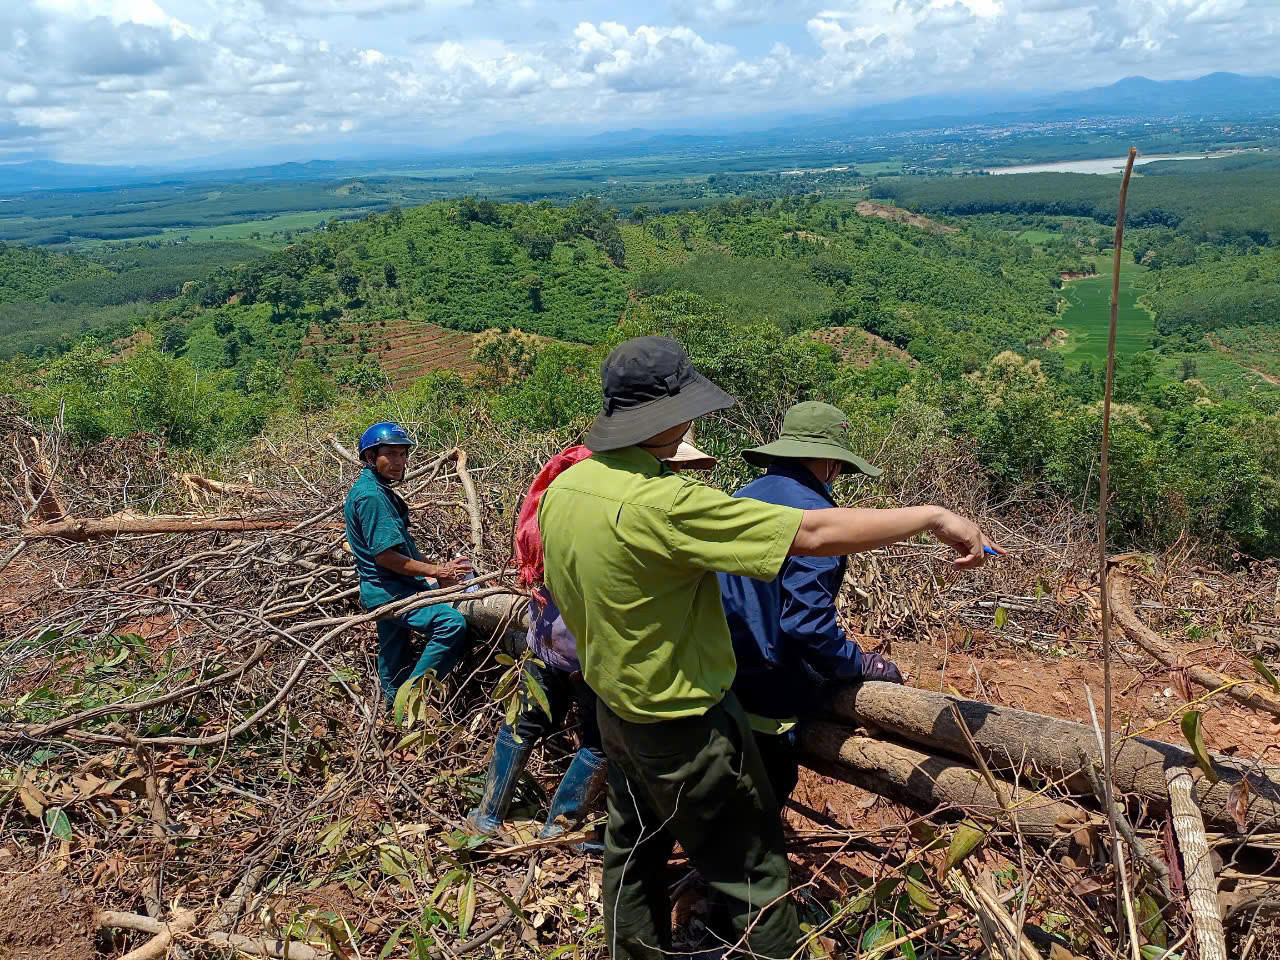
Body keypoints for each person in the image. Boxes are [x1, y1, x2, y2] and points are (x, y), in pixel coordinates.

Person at [538, 336, 1001, 960]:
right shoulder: (661, 502)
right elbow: (811, 534)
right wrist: (932, 517)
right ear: (673, 414)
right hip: (683, 725)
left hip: (614, 711)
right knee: (754, 874)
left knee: (634, 850)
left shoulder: (570, 486)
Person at [468, 432, 721, 843]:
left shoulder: (567, 491)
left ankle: (487, 815)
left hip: (547, 638)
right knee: (600, 741)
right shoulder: (642, 505)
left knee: (521, 725)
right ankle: (559, 827)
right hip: (597, 653)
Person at [718, 401, 905, 809]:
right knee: (762, 798)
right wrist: (857, 664)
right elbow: (806, 624)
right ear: (829, 462)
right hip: (765, 682)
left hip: (714, 669)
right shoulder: (818, 520)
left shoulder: (740, 497)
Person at [343, 421, 473, 705]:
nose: (399, 462)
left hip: (385, 589)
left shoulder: (375, 489)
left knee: (395, 654)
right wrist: (438, 571)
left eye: (403, 454)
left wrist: (439, 566)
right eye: (391, 454)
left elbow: (401, 548)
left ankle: (391, 711)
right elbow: (385, 556)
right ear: (370, 457)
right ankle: (412, 700)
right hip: (391, 591)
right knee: (451, 624)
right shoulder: (371, 497)